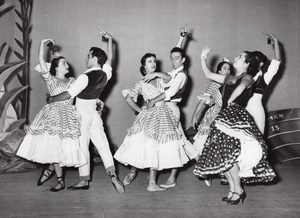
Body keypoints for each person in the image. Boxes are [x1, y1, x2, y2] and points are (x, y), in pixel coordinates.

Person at [193, 47, 276, 205]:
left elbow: (241, 87)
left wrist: (230, 100)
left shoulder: (248, 77)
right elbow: (209, 74)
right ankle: (233, 189)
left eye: (240, 57)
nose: (236, 57)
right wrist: (203, 59)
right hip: (223, 117)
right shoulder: (230, 77)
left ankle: (238, 190)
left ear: (246, 64)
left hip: (234, 117)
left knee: (230, 155)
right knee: (224, 156)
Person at [47, 31, 124, 193]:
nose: (85, 58)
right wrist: (110, 41)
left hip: (81, 116)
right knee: (103, 146)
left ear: (94, 59)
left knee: (83, 148)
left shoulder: (84, 77)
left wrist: (51, 99)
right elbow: (110, 60)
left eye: (88, 56)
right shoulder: (105, 74)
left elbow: (68, 94)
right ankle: (113, 175)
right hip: (95, 116)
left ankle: (84, 181)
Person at [17, 39, 87, 192]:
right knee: (55, 147)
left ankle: (49, 171)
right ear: (55, 68)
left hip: (69, 117)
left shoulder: (73, 81)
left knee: (62, 149)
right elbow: (41, 59)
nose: (68, 65)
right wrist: (42, 43)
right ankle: (60, 181)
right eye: (64, 64)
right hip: (53, 116)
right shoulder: (50, 79)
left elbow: (82, 94)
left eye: (66, 63)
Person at [114, 53, 190, 192]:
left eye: (154, 61)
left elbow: (170, 78)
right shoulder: (141, 83)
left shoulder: (161, 79)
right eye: (149, 62)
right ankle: (134, 172)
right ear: (144, 66)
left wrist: (156, 74)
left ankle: (152, 182)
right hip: (150, 116)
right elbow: (128, 98)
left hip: (164, 113)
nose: (153, 63)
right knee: (144, 146)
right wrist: (139, 110)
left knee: (157, 148)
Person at [144, 28, 198, 189]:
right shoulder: (174, 71)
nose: (173, 61)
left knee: (177, 143)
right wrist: (181, 38)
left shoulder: (181, 75)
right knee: (175, 141)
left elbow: (170, 93)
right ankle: (199, 165)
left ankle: (174, 176)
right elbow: (178, 51)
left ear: (183, 60)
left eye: (177, 59)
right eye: (171, 59)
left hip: (171, 109)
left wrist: (153, 100)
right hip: (162, 109)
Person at [191, 59, 233, 186]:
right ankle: (204, 170)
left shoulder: (232, 83)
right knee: (199, 147)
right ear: (219, 71)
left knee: (224, 146)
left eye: (229, 68)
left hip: (226, 118)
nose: (228, 71)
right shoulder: (214, 85)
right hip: (212, 118)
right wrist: (194, 116)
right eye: (225, 68)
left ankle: (224, 174)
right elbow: (203, 102)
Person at [246, 33, 281, 134]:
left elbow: (277, 61)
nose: (252, 62)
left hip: (256, 111)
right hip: (241, 110)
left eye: (254, 60)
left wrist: (276, 43)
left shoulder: (265, 77)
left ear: (261, 64)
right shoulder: (243, 76)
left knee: (257, 141)